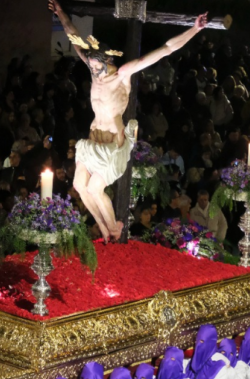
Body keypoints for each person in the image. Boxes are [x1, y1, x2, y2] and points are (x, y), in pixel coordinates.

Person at [49, 0, 207, 240]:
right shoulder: (94, 69)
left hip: (112, 144)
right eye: (91, 68)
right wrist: (61, 13)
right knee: (81, 187)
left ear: (108, 62)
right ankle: (105, 230)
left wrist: (195, 29)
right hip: (92, 141)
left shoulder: (123, 74)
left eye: (98, 68)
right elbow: (74, 36)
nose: (95, 74)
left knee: (94, 188)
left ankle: (113, 228)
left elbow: (165, 48)